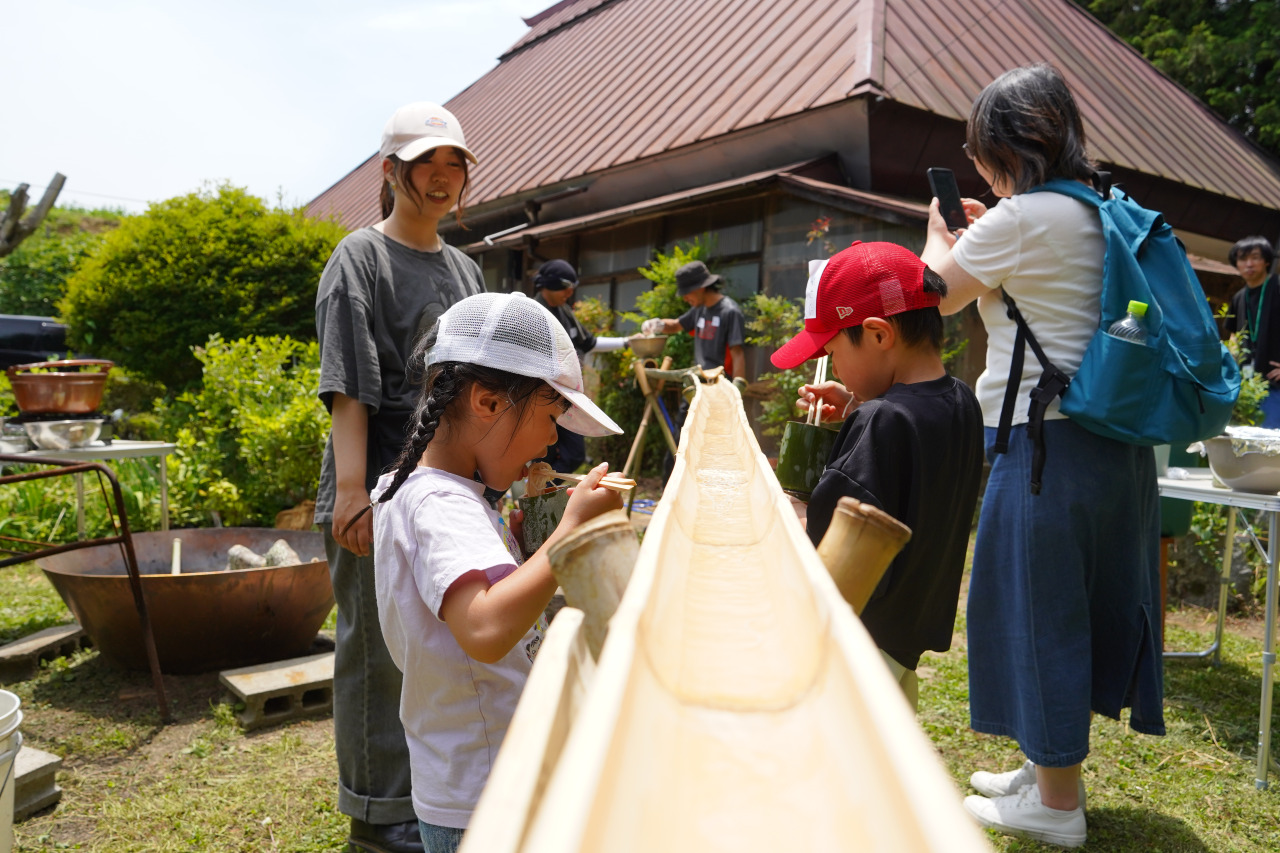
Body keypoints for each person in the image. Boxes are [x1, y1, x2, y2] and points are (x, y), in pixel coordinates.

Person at [921, 64, 1163, 849]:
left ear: (1006, 146)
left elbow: (936, 291)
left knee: (1036, 607)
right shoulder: (1100, 209)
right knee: (1067, 601)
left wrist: (939, 234)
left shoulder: (1022, 218)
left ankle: (1056, 804)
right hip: (1111, 439)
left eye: (978, 146)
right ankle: (1043, 769)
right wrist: (989, 223)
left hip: (1042, 441)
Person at [370, 291, 624, 852]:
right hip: (484, 791)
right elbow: (483, 630)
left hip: (468, 772)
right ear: (487, 402)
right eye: (551, 416)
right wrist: (570, 533)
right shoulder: (443, 504)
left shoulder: (419, 489)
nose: (556, 439)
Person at [314, 101, 485, 853]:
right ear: (391, 172)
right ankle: (375, 818)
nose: (443, 178)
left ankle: (425, 802)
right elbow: (351, 385)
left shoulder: (465, 269)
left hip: (442, 495)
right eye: (426, 165)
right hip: (373, 489)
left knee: (428, 650)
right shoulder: (360, 257)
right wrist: (353, 493)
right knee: (374, 655)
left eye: (454, 165)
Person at [771, 241, 983, 712]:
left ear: (878, 334)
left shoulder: (882, 422)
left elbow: (836, 549)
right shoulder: (961, 401)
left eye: (833, 352)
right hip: (906, 633)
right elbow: (920, 461)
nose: (837, 370)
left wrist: (789, 506)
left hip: (858, 641)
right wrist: (854, 410)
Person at [532, 259, 631, 472]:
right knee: (542, 455)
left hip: (568, 396)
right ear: (550, 285)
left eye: (572, 289)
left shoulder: (565, 311)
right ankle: (535, 497)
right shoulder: (535, 313)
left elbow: (589, 343)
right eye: (565, 289)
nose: (569, 293)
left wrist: (627, 342)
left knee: (575, 455)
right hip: (542, 395)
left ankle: (540, 491)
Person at [641, 260, 747, 379]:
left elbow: (737, 354)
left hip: (720, 383)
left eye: (686, 293)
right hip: (698, 379)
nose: (685, 299)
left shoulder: (730, 312)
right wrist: (658, 324)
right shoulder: (699, 309)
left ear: (700, 288)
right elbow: (676, 325)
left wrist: (738, 388)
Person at [1225, 236, 1280, 427]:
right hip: (1246, 387)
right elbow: (1233, 334)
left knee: (1271, 444)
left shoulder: (1277, 286)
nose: (1249, 264)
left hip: (1275, 384)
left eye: (1255, 257)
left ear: (1266, 260)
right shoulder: (1239, 297)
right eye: (1242, 259)